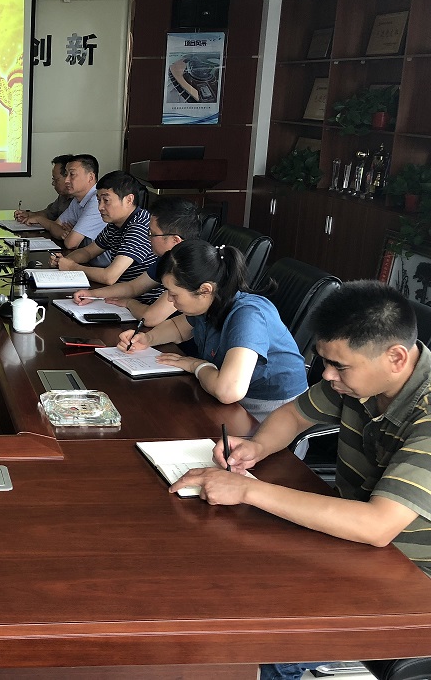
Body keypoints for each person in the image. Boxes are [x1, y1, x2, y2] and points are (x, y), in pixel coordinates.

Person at [172, 281, 431, 680]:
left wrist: (249, 489)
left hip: (411, 575)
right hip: (351, 543)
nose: (326, 374)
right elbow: (295, 415)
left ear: (395, 358)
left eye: (339, 366)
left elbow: (376, 526)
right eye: (325, 361)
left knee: (264, 639)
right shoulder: (360, 379)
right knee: (220, 579)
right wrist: (257, 446)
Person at [120, 239, 307, 422]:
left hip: (272, 410)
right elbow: (178, 328)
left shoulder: (248, 315)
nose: (169, 299)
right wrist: (147, 338)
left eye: (174, 294)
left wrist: (196, 365)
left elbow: (228, 391)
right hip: (231, 398)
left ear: (205, 290)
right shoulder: (213, 302)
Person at [72, 197, 201, 325]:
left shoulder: (190, 269)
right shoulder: (168, 259)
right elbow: (133, 287)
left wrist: (129, 303)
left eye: (152, 233)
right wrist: (93, 294)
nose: (148, 237)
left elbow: (149, 318)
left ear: (175, 240)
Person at [51, 170, 158, 294]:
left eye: (106, 200)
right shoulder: (115, 224)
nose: (100, 207)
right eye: (98, 201)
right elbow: (88, 252)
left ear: (129, 200)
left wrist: (72, 267)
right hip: (121, 293)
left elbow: (109, 277)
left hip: (142, 300)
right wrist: (63, 260)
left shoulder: (139, 226)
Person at [20, 153, 106, 250]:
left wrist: (41, 220)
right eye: (66, 175)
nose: (66, 181)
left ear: (90, 177)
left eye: (72, 174)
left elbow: (71, 243)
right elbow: (56, 225)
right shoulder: (77, 199)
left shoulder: (97, 201)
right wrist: (67, 233)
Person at [13, 154, 73, 224]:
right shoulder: (63, 196)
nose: (53, 183)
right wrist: (29, 215)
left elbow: (60, 226)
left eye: (56, 180)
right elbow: (48, 214)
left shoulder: (78, 200)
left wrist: (39, 220)